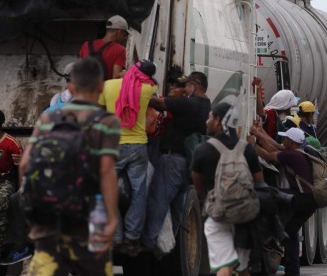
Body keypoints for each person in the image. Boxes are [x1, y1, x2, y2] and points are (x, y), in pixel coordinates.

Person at [20, 57, 120, 276]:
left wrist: (32, 208)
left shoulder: (48, 116)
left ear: (71, 86)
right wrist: (112, 219)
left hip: (48, 217)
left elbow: (25, 163)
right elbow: (106, 172)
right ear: (101, 86)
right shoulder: (106, 122)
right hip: (90, 220)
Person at [142, 71, 211, 251]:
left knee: (158, 202)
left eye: (186, 85)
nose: (183, 88)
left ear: (194, 86)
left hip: (173, 161)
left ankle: (148, 247)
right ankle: (167, 249)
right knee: (176, 207)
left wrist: (137, 89)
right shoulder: (206, 105)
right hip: (186, 164)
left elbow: (159, 103)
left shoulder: (191, 104)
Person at [191, 102, 263, 276]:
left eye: (210, 117)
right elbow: (259, 183)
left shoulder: (202, 150)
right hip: (245, 217)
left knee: (225, 266)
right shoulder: (247, 150)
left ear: (217, 121)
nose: (207, 121)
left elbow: (198, 186)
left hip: (218, 216)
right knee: (243, 269)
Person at [98, 60, 158, 255]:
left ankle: (115, 236)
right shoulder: (149, 88)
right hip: (138, 146)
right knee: (138, 191)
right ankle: (132, 238)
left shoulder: (108, 85)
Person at [251, 126, 318, 276]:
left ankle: (267, 234)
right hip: (309, 202)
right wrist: (260, 132)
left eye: (286, 138)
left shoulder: (291, 155)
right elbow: (276, 145)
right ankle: (293, 271)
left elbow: (268, 155)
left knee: (270, 195)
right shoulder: (297, 152)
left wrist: (252, 145)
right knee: (290, 233)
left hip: (300, 198)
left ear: (292, 141)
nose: (283, 140)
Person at [0, 111, 28, 266]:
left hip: (6, 180)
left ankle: (3, 244)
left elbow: (21, 168)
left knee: (3, 201)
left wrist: (21, 189)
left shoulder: (11, 143)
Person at [79, 15, 129, 80]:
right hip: (104, 89)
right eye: (125, 34)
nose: (124, 37)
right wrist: (127, 73)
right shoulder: (120, 50)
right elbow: (116, 76)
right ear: (119, 32)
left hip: (84, 88)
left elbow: (79, 70)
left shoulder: (86, 45)